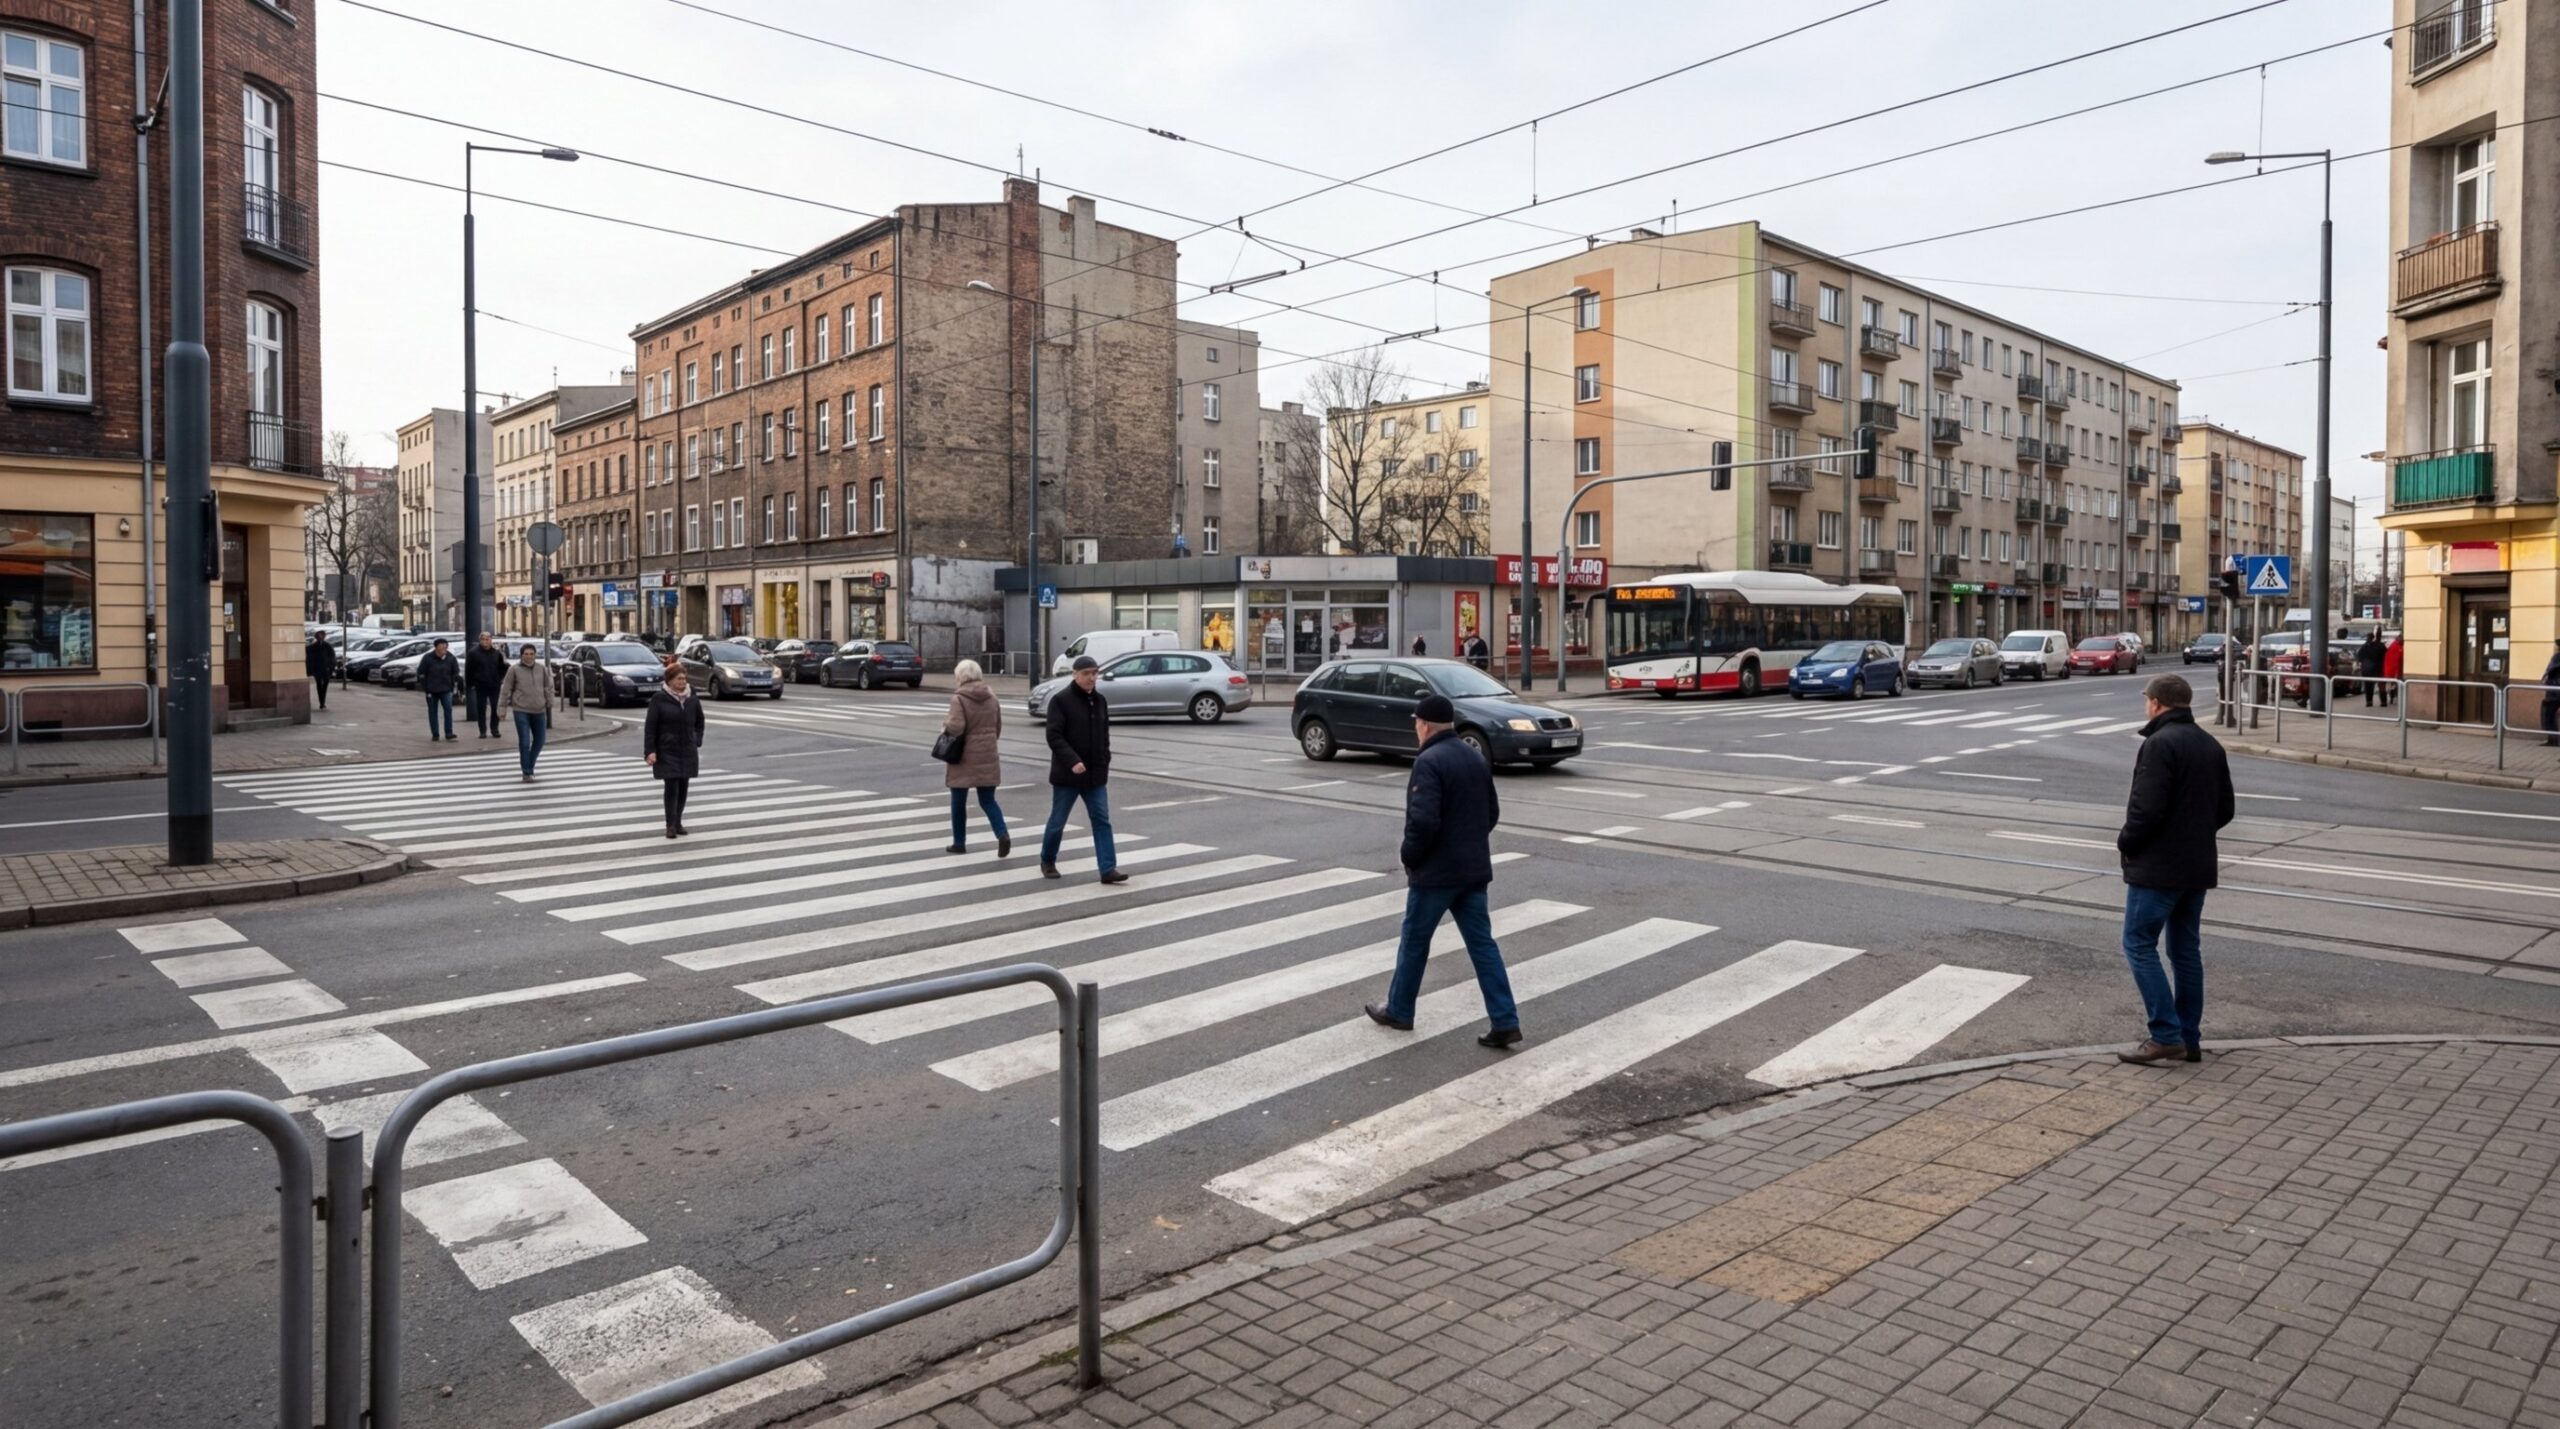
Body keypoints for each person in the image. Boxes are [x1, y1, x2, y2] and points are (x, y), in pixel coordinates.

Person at [1367, 693, 1522, 1049]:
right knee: (1483, 946)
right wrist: (1466, 842)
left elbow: (1423, 821)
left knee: (1414, 942)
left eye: (1416, 724)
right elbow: (1491, 813)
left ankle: (1400, 1010)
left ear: (1423, 725)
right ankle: (1505, 1019)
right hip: (1472, 870)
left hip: (1436, 874)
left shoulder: (1429, 761)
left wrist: (1410, 856)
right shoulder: (1474, 756)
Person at [2115, 673, 2234, 1066]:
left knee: (2138, 943)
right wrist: (2193, 834)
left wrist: (2126, 842)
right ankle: (2189, 1038)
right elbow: (2226, 810)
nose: (2145, 704)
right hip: (2196, 867)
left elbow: (2145, 810)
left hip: (2158, 869)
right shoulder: (2209, 744)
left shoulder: (2159, 744)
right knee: (2185, 952)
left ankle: (2164, 1034)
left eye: (2146, 699)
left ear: (2157, 704)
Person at [1041, 654, 1122, 884]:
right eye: (1086, 673)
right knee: (1058, 820)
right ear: (1075, 675)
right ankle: (1047, 860)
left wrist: (1105, 759)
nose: (1091, 678)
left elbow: (1104, 735)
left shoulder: (1100, 700)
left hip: (1095, 775)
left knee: (1102, 820)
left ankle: (1108, 868)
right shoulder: (1061, 700)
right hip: (1068, 774)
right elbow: (1054, 736)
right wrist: (1072, 761)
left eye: (1094, 673)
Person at [940, 658, 1010, 857]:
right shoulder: (992, 697)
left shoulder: (959, 698)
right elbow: (997, 727)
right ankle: (1002, 834)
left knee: (958, 800)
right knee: (988, 799)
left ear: (961, 677)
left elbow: (956, 727)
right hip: (988, 753)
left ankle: (959, 842)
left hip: (963, 756)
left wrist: (944, 724)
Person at [643, 665, 705, 837]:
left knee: (683, 786)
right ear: (669, 681)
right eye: (679, 679)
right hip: (667, 749)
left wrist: (697, 739)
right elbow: (650, 727)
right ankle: (670, 824)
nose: (682, 682)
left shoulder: (692, 698)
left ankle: (678, 822)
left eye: (684, 678)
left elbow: (700, 720)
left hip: (687, 749)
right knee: (672, 786)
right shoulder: (659, 699)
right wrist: (650, 751)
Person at [497, 641, 555, 781]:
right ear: (521, 655)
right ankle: (527, 772)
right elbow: (506, 690)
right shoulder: (514, 670)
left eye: (531, 654)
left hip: (539, 710)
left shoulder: (542, 669)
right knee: (524, 741)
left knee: (540, 741)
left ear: (535, 655)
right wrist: (502, 708)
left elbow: (548, 686)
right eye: (526, 654)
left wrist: (549, 701)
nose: (529, 656)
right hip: (521, 710)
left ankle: (529, 764)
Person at [464, 632, 507, 738]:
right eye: (483, 639)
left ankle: (494, 729)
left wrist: (500, 678)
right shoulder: (473, 653)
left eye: (487, 639)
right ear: (480, 640)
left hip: (494, 685)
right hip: (480, 685)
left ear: (491, 640)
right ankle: (482, 731)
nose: (485, 641)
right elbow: (469, 670)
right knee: (481, 708)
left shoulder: (497, 653)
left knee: (495, 708)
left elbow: (501, 667)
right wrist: (470, 684)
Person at [417, 638, 460, 741]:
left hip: (446, 689)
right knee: (433, 712)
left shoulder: (451, 658)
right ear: (436, 647)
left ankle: (449, 732)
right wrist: (426, 687)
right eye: (442, 647)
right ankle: (435, 734)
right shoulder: (428, 658)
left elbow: (455, 672)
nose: (444, 649)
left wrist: (452, 683)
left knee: (448, 710)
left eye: (445, 647)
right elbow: (421, 673)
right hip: (431, 690)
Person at [304, 631, 335, 712]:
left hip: (326, 670)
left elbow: (332, 658)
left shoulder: (327, 646)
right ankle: (321, 703)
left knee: (324, 686)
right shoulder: (313, 646)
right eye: (319, 636)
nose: (320, 638)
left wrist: (331, 668)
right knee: (319, 686)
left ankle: (322, 702)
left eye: (322, 636)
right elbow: (308, 655)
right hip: (317, 670)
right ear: (317, 637)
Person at [2355, 630, 2385, 706]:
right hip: (2379, 669)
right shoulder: (2380, 645)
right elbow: (2385, 656)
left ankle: (2369, 702)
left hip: (2368, 670)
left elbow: (2359, 657)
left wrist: (2364, 664)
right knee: (2381, 686)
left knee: (2369, 686)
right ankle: (2383, 702)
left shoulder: (2365, 646)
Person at [2542, 637, 2560, 747]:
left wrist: (2545, 679)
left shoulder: (2557, 657)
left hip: (2555, 690)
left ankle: (2553, 739)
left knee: (2547, 713)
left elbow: (2551, 671)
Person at [2381, 633, 2402, 706]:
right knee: (2393, 686)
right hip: (2393, 671)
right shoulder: (2396, 646)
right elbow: (2396, 659)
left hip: (2393, 671)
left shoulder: (2395, 645)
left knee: (2393, 686)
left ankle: (2392, 698)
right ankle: (2392, 698)